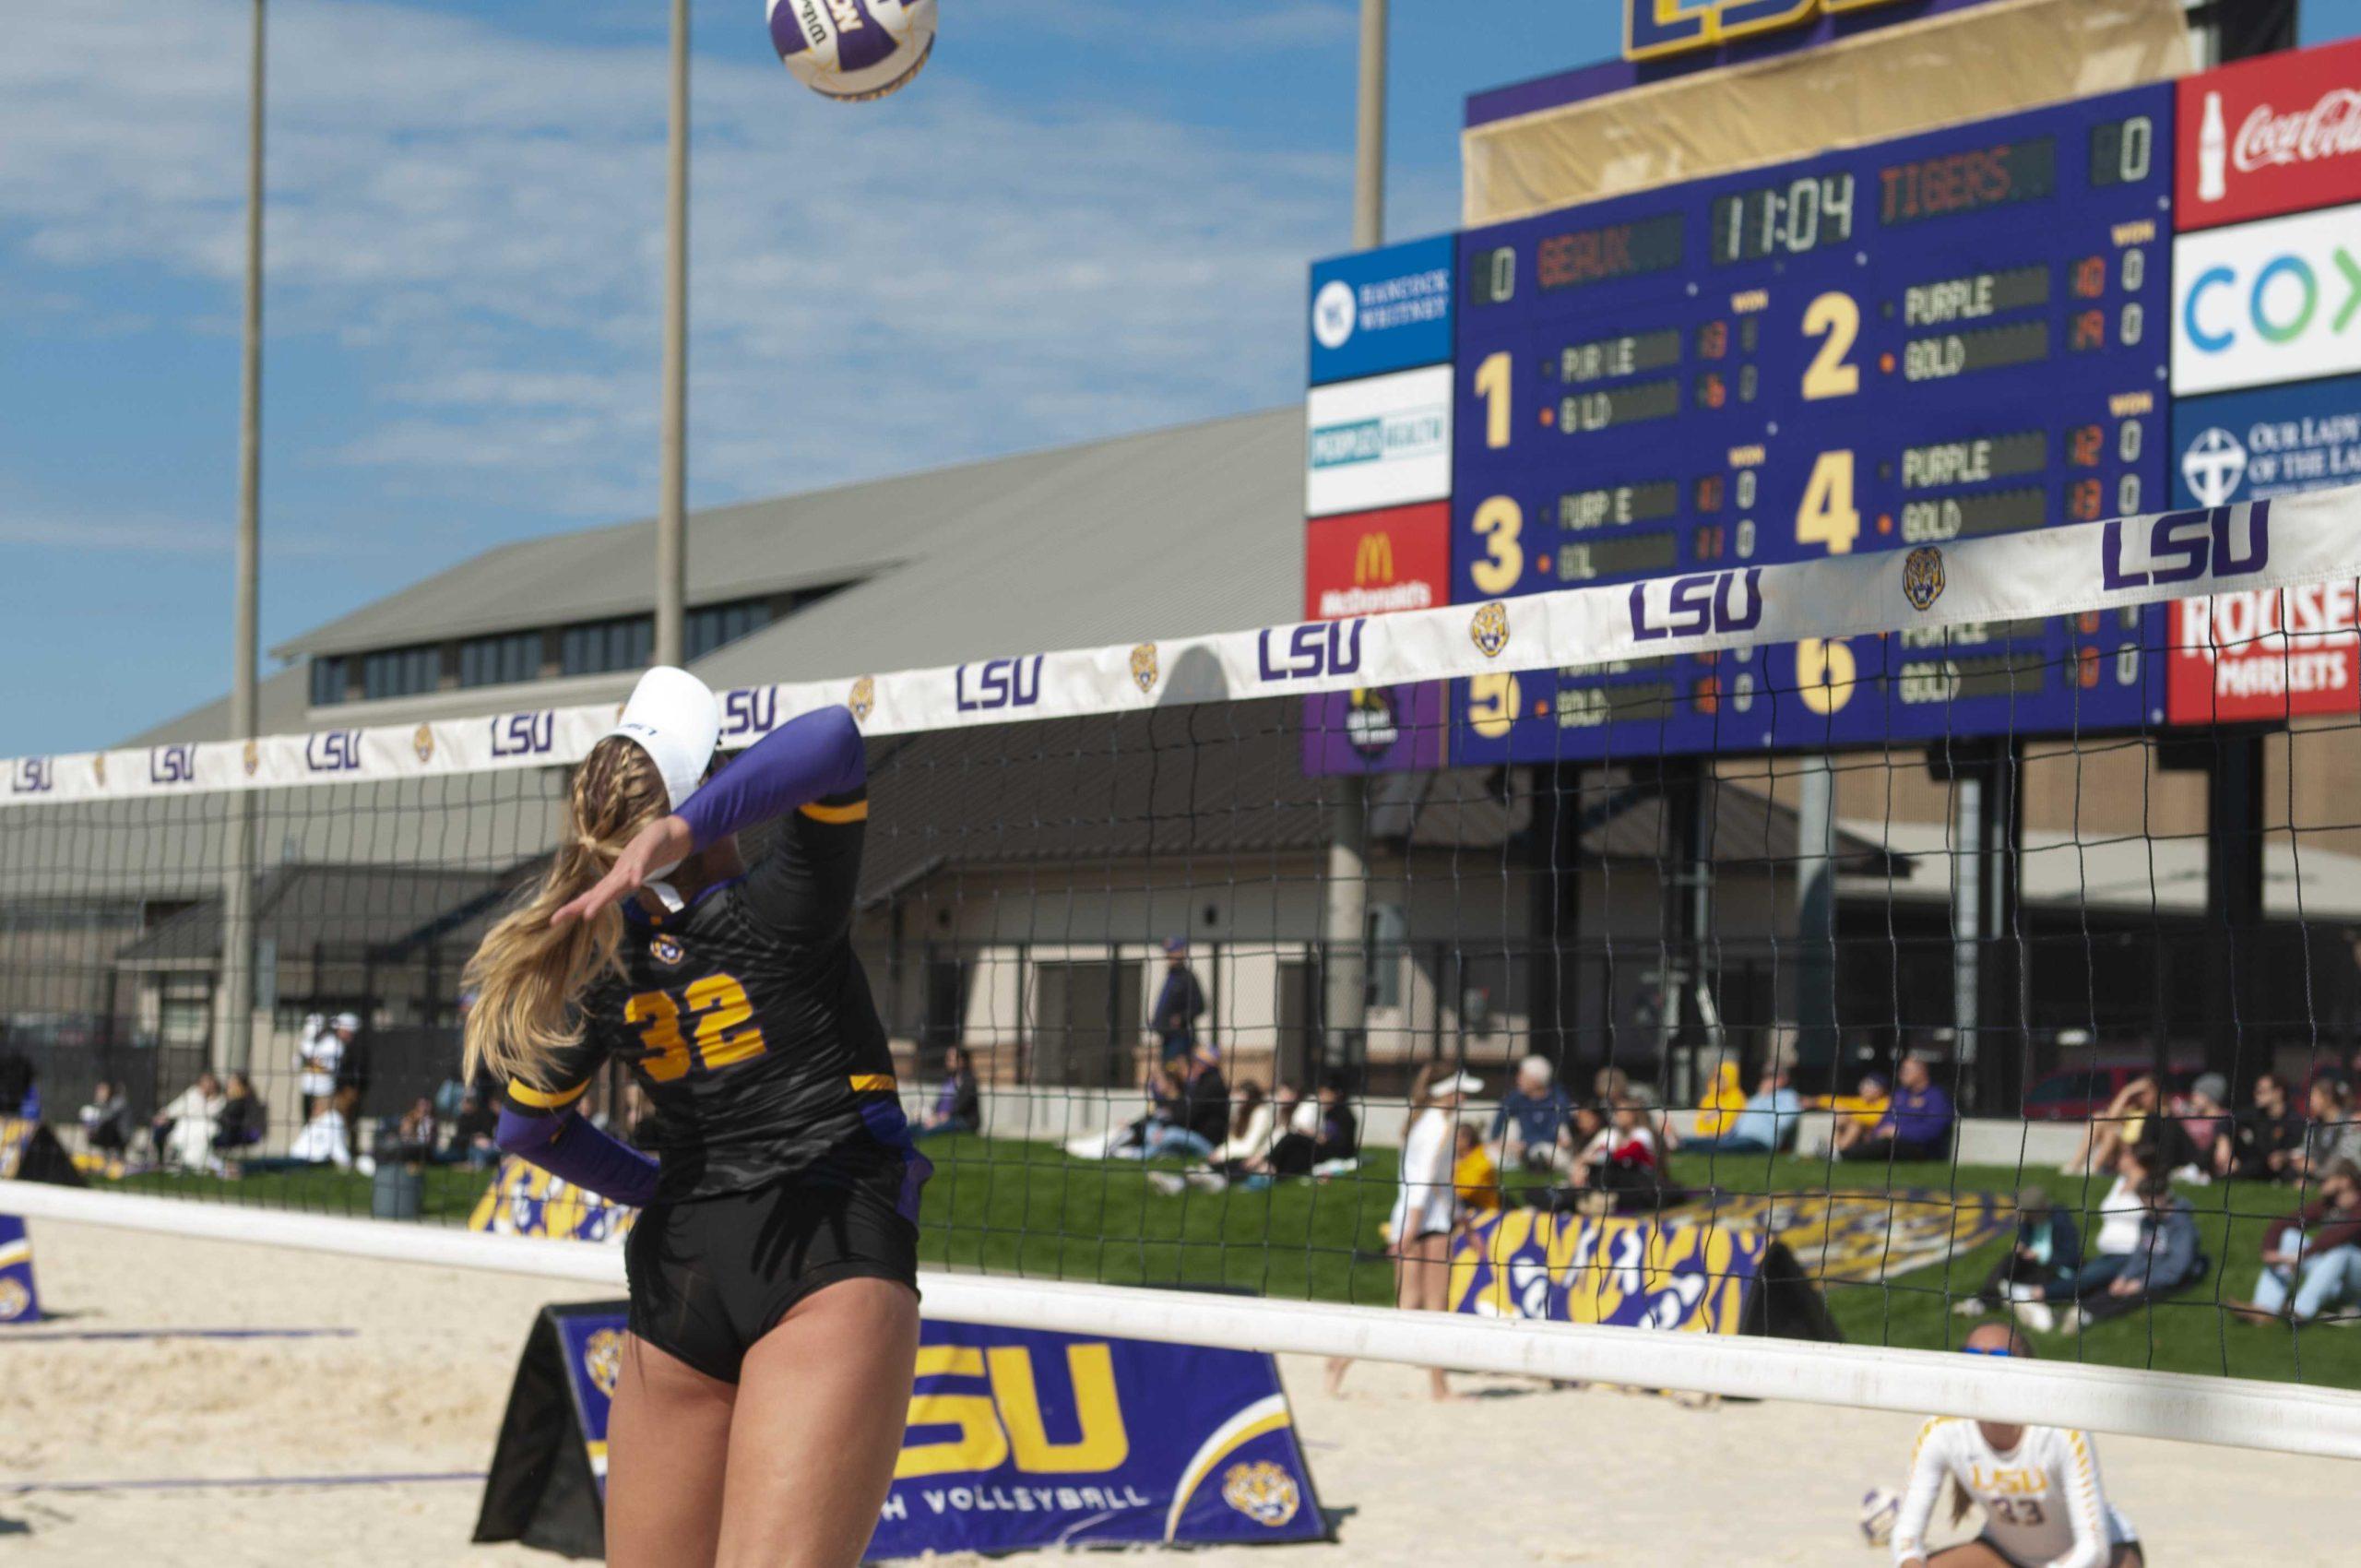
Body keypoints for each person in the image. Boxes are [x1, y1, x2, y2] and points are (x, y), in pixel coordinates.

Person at [467, 669, 927, 1568]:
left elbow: (527, 1132)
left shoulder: (602, 964)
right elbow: (833, 736)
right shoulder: (784, 905)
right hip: (824, 1246)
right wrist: (687, 825)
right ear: (708, 796)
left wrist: (659, 1189)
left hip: (682, 1264)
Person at [1890, 1324, 2143, 1568]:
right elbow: (1906, 1534)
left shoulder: (2060, 1430)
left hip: (2103, 1553)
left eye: (1999, 1355)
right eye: (1972, 1355)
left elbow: (2094, 1550)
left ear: (2026, 1366)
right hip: (2005, 1553)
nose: (1984, 1366)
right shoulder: (1942, 1429)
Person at [1332, 1063, 1480, 1402]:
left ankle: (1341, 1359)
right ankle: (1439, 1388)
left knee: (1409, 1307)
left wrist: (1464, 1223)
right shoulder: (1436, 1127)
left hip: (1421, 1220)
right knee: (1433, 1307)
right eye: (1462, 1089)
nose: (1467, 1095)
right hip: (1425, 1224)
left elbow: (1437, 1184)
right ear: (1446, 1091)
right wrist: (1411, 1232)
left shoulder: (1423, 1122)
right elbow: (1425, 1184)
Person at [2035, 1171, 2203, 1330]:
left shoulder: (2182, 1225)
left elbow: (2176, 1267)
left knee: (2136, 1295)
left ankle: (2087, 1315)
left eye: (2149, 1202)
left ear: (2164, 1196)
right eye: (2143, 1202)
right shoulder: (2148, 1220)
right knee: (2113, 1286)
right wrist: (2124, 1276)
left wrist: (2140, 1283)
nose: (2146, 1208)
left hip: (2172, 1276)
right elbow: (2140, 1252)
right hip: (2150, 1267)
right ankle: (2071, 1311)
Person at [2229, 1158, 2361, 1325]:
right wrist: (2269, 1251)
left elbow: (2340, 1235)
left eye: (2326, 1178)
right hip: (2333, 1277)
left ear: (2345, 1181)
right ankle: (2264, 1309)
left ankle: (2299, 1311)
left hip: (2357, 1281)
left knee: (2342, 1250)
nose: (2319, 1182)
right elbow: (2283, 1223)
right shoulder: (2328, 1204)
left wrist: (2302, 1255)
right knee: (2290, 1236)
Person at [1952, 1186, 2081, 1319]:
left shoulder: (2062, 1222)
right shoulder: (2027, 1222)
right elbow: (2025, 1242)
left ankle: (2002, 1296)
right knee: (2009, 1261)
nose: (2028, 1217)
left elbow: (2071, 1257)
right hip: (2033, 1266)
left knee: (2011, 1280)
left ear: (2042, 1208)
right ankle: (1985, 1299)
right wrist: (2021, 1248)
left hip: (2055, 1270)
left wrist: (2040, 1255)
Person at [1837, 1053, 1954, 1162]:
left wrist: (1899, 1132)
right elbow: (1885, 1120)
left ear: (1921, 1072)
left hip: (1920, 1147)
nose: (1901, 1074)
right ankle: (1837, 1150)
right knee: (1860, 1130)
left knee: (1886, 1144)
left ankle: (1841, 1155)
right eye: (1902, 1070)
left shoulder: (1936, 1096)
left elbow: (1934, 1129)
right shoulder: (1900, 1094)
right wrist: (1875, 1133)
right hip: (1889, 1141)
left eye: (1906, 1071)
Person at [1688, 1057, 1804, 1155]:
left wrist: (1764, 1099)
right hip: (1739, 1138)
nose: (1768, 1079)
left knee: (1719, 1148)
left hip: (1760, 1141)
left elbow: (1783, 1122)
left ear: (1785, 1078)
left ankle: (1682, 1146)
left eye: (1773, 1075)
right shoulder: (1756, 1098)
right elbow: (1740, 1121)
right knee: (1710, 1142)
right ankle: (1681, 1143)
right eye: (1766, 1075)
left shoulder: (1789, 1097)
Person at [1489, 1054, 1572, 1173]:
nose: (1518, 1079)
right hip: (1519, 1147)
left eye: (1522, 1075)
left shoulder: (1558, 1100)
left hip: (1547, 1148)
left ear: (1535, 1079)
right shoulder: (1517, 1097)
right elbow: (1500, 1117)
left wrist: (1526, 1144)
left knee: (1542, 1151)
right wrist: (1496, 1141)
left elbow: (1558, 1135)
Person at [2221, 1070, 2303, 1182]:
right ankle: (2197, 1170)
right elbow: (2227, 1122)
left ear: (2278, 1092)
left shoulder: (2294, 1120)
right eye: (2256, 1090)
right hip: (2251, 1162)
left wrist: (2284, 1156)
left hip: (2278, 1167)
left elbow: (2297, 1150)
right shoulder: (2255, 1113)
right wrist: (2223, 1143)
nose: (2256, 1094)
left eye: (2262, 1091)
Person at [1570, 1094, 1659, 1195]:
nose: (1618, 1115)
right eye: (1617, 1112)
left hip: (1643, 1180)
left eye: (1621, 1111)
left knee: (1606, 1170)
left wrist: (1592, 1159)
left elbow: (1623, 1154)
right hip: (1628, 1178)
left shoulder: (1642, 1133)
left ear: (1632, 1114)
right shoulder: (1620, 1135)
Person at [148, 1071, 223, 1170]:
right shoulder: (193, 1093)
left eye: (209, 1082)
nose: (206, 1085)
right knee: (160, 1127)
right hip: (183, 1124)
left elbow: (213, 1115)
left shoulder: (220, 1100)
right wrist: (164, 1115)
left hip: (205, 1127)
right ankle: (161, 1159)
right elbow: (177, 1106)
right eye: (204, 1082)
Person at [2292, 1076, 2361, 1180]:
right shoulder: (2315, 1124)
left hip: (2346, 1172)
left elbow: (2346, 1155)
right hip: (2321, 1170)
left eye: (2314, 1097)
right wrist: (2299, 1157)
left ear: (2328, 1098)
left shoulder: (2350, 1121)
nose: (2310, 1102)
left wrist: (2316, 1168)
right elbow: (2305, 1148)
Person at [1150, 936, 1205, 1063]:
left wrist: (1180, 1018)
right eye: (1167, 952)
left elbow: (1200, 1006)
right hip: (1167, 1037)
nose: (1168, 956)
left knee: (1176, 1073)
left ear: (1181, 952)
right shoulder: (1171, 977)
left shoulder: (1187, 978)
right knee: (1167, 1073)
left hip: (1180, 1038)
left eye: (1171, 951)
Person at [914, 1043, 980, 1139]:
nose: (948, 1061)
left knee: (927, 1131)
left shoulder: (969, 1081)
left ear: (962, 1061)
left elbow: (960, 1107)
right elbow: (939, 1102)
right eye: (947, 1058)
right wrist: (932, 1115)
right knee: (913, 1126)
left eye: (951, 1058)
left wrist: (939, 1119)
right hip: (941, 1118)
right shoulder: (948, 1080)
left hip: (962, 1121)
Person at [211, 1072, 267, 1165]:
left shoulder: (240, 1102)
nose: (229, 1086)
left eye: (233, 1084)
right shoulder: (233, 1101)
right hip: (233, 1132)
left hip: (239, 1134)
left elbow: (226, 1120)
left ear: (241, 1086)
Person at [1452, 1121, 1501, 1222]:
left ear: (1467, 1140)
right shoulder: (1459, 1159)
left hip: (1486, 1215)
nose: (1452, 1142)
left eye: (1456, 1138)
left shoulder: (1482, 1158)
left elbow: (1467, 1190)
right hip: (1468, 1211)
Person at [445, 1087, 500, 1168]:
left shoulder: (484, 1115)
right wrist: (473, 1138)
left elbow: (487, 1133)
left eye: (469, 1102)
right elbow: (459, 1139)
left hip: (485, 1147)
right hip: (464, 1149)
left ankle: (473, 1164)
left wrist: (481, 1138)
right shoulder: (462, 1118)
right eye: (465, 1102)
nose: (466, 1104)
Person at [77, 1080, 131, 1157]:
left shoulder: (118, 1102)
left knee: (105, 1125)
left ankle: (115, 1157)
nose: (100, 1093)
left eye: (103, 1090)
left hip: (120, 1136)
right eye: (99, 1091)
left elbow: (107, 1117)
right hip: (109, 1138)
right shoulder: (104, 1104)